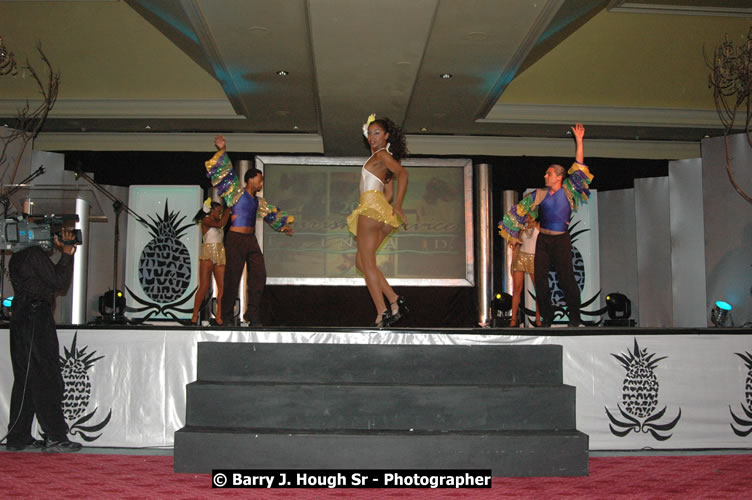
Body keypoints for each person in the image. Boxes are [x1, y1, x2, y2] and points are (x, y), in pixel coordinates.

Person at [499, 123, 591, 327]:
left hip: (561, 240)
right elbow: (517, 213)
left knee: (566, 278)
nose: (545, 176)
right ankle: (547, 318)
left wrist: (579, 141)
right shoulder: (539, 195)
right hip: (544, 241)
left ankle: (575, 318)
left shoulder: (567, 190)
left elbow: (579, 166)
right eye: (546, 174)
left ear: (559, 177)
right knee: (540, 280)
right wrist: (514, 232)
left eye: (549, 174)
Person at [5, 229, 82, 452]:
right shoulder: (33, 254)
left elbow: (49, 282)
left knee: (26, 379)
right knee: (46, 376)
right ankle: (55, 436)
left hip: (23, 318)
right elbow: (58, 282)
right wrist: (67, 253)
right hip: (35, 317)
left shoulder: (19, 256)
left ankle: (18, 436)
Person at [207, 135, 294, 327]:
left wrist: (283, 226)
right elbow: (226, 174)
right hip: (236, 238)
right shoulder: (236, 193)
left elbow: (270, 214)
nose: (261, 184)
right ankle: (227, 317)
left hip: (250, 239)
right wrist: (222, 150)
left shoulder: (257, 201)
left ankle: (252, 314)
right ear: (252, 179)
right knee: (232, 277)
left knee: (259, 275)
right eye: (260, 180)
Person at [346, 115, 409, 327]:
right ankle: (393, 299)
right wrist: (390, 205)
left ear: (386, 136)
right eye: (370, 133)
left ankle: (382, 311)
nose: (372, 137)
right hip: (381, 210)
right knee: (361, 262)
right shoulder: (382, 158)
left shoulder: (382, 155)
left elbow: (403, 174)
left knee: (368, 264)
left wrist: (398, 205)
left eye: (377, 133)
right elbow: (388, 192)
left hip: (371, 209)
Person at [189, 199, 230, 326]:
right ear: (211, 211)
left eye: (221, 212)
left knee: (222, 287)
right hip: (208, 253)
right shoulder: (206, 221)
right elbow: (221, 224)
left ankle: (219, 317)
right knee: (204, 286)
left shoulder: (218, 222)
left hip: (219, 252)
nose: (220, 214)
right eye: (218, 211)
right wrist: (228, 211)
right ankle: (195, 316)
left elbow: (221, 223)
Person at [508, 215, 542, 327]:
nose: (526, 215)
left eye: (528, 213)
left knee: (539, 289)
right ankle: (513, 319)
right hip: (520, 257)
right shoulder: (521, 227)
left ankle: (538, 319)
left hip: (534, 258)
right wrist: (512, 262)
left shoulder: (539, 225)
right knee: (517, 289)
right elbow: (515, 245)